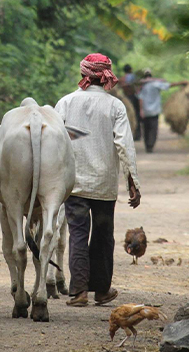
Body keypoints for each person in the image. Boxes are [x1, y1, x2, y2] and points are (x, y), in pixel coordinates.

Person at [55, 53, 142, 307]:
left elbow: (55, 143)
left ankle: (79, 292)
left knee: (78, 235)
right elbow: (125, 145)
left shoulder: (66, 103)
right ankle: (102, 291)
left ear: (84, 75)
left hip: (75, 184)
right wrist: (132, 182)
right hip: (104, 185)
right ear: (106, 76)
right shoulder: (115, 106)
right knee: (104, 236)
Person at [137, 68, 187, 153]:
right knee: (153, 129)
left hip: (145, 111)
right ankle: (150, 145)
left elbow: (140, 99)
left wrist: (141, 110)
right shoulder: (156, 84)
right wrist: (180, 83)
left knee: (146, 129)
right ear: (151, 75)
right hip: (155, 111)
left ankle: (147, 145)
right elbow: (169, 85)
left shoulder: (142, 86)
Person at [120, 65, 142, 140]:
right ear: (130, 70)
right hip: (132, 97)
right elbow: (137, 86)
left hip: (125, 98)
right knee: (136, 115)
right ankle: (137, 134)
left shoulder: (122, 78)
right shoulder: (133, 77)